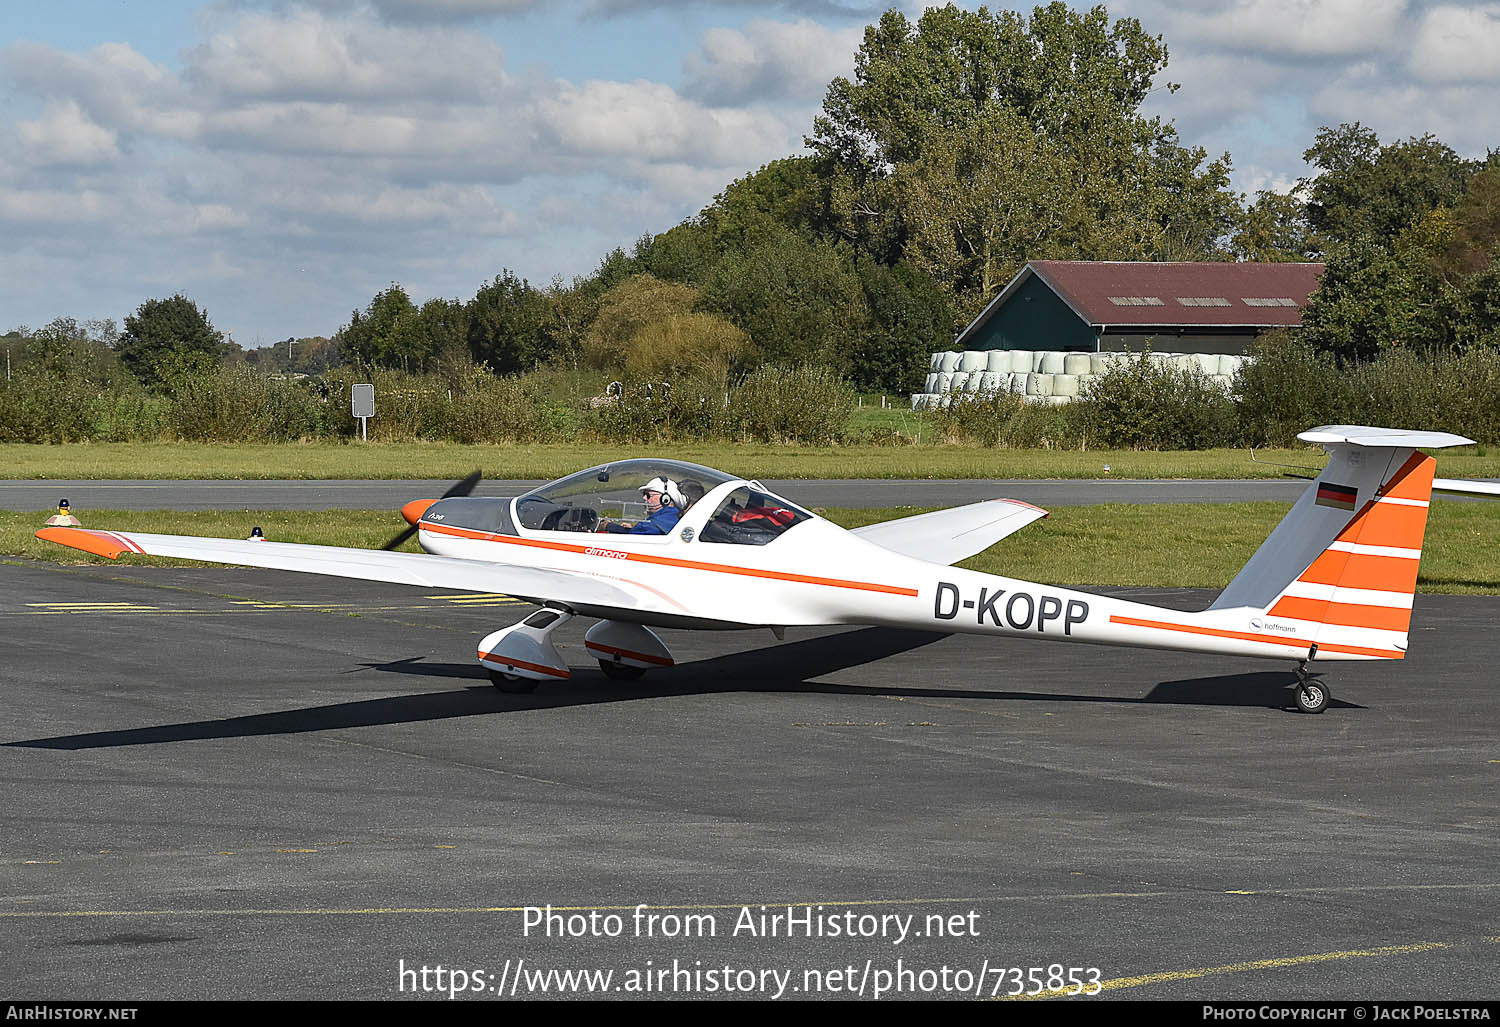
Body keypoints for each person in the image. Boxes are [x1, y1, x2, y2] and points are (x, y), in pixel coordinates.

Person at [601, 477, 684, 535]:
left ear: (665, 499)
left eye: (648, 495)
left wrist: (608, 526)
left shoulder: (655, 524)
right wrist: (632, 529)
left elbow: (633, 537)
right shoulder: (673, 515)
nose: (644, 498)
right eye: (644, 494)